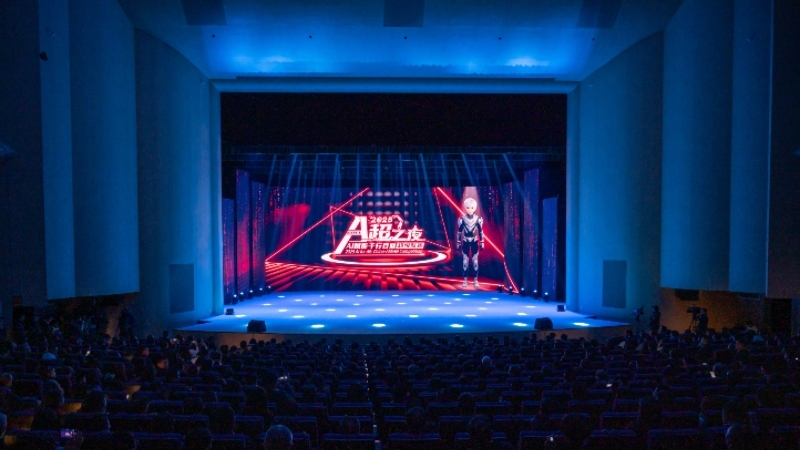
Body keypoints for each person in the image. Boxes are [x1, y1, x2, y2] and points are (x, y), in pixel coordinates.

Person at [456, 197, 485, 288]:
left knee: (475, 262)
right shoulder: (462, 219)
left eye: (472, 207)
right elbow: (459, 231)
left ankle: (475, 280)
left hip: (474, 241)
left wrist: (482, 242)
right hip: (465, 241)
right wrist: (458, 242)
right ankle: (465, 280)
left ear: (474, 208)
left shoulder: (478, 219)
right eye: (468, 207)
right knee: (465, 262)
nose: (470, 209)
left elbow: (480, 231)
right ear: (465, 207)